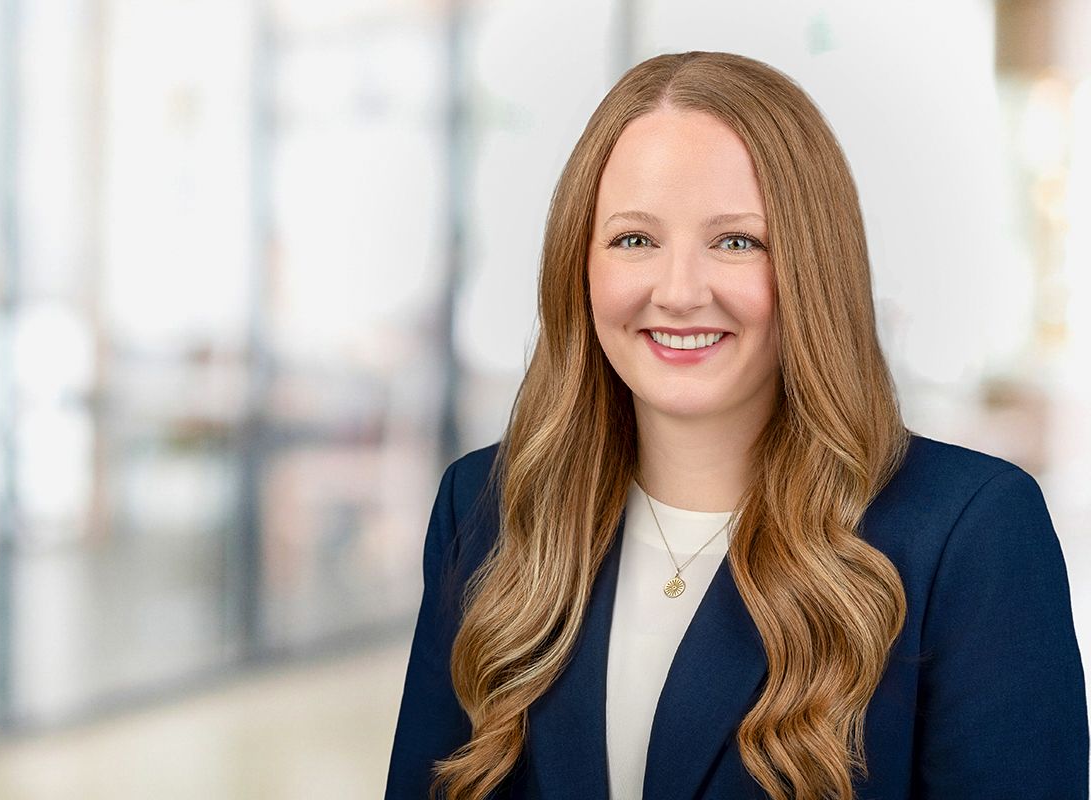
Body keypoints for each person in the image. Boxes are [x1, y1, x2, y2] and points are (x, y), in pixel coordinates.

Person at [385, 51, 1087, 799]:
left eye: (736, 241)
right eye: (634, 239)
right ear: (577, 264)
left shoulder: (970, 532)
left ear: (814, 267)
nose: (680, 291)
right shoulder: (487, 509)